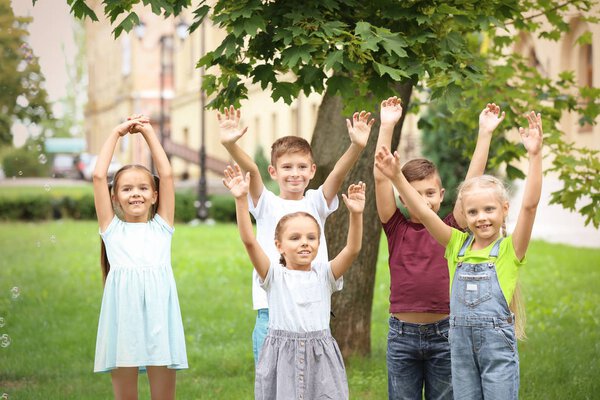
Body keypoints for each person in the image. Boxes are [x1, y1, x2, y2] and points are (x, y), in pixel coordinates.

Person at [375, 111, 543, 400]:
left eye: (489, 210)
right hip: (431, 342)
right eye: (473, 211)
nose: (481, 217)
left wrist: (526, 152)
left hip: (464, 342)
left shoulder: (485, 243)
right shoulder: (442, 241)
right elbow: (417, 206)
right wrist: (392, 166)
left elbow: (516, 202)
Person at [217, 105, 374, 364]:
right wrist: (230, 145)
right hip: (271, 309)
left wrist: (356, 146)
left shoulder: (316, 202)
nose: (295, 173)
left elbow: (337, 174)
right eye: (287, 167)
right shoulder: (266, 203)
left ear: (312, 171)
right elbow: (252, 172)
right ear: (274, 172)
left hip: (311, 307)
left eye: (302, 167)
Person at [223, 163, 365, 400]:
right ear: (278, 245)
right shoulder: (273, 275)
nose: (304, 243)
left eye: (311, 237)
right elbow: (249, 241)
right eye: (295, 237)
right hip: (282, 359)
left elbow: (352, 249)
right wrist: (240, 199)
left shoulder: (325, 274)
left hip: (321, 358)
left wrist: (356, 214)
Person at [92, 116, 187, 400]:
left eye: (143, 188)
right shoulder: (111, 229)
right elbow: (98, 176)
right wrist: (116, 132)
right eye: (127, 189)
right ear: (114, 197)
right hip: (123, 319)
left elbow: (167, 174)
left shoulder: (162, 227)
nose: (136, 194)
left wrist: (148, 133)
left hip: (160, 316)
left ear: (155, 195)